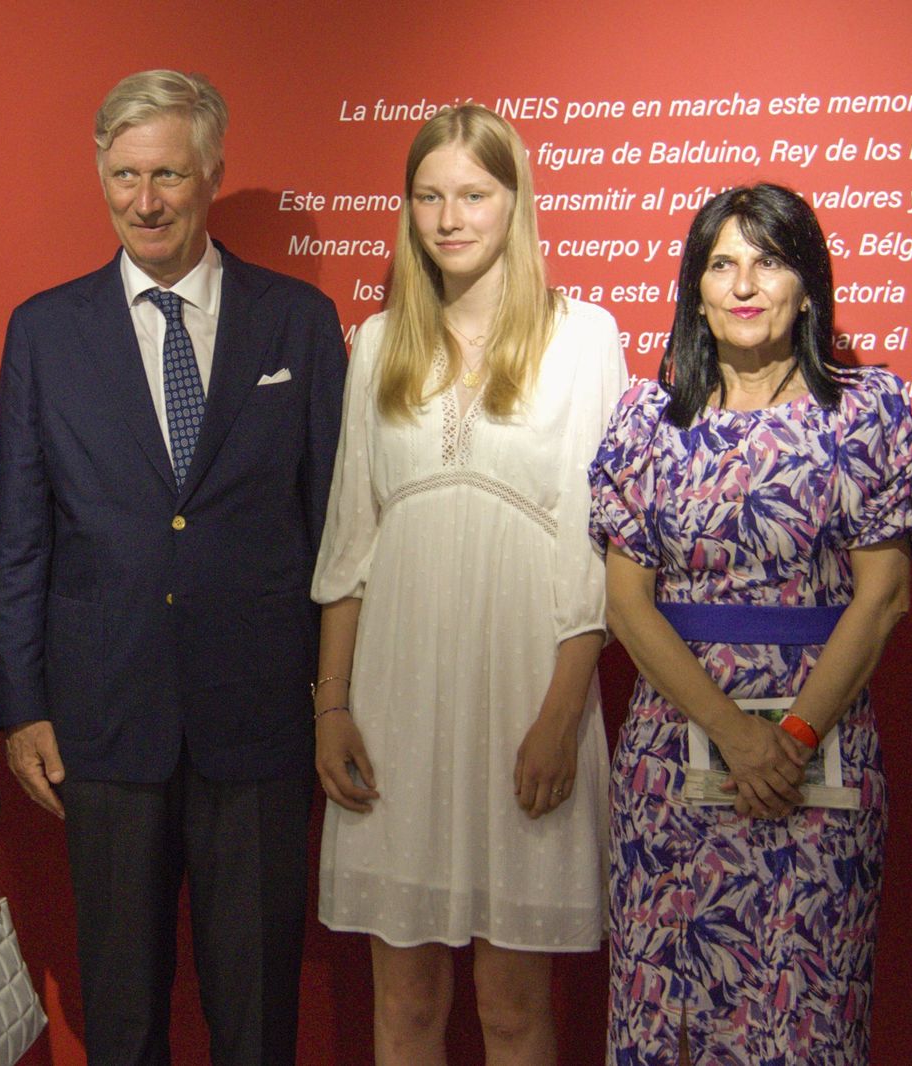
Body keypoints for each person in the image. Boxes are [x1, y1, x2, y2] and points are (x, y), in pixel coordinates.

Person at [0, 69, 348, 1065]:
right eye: (124, 175)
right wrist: (22, 707)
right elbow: (19, 535)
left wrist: (332, 698)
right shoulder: (44, 331)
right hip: (103, 721)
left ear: (210, 173)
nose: (144, 201)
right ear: (99, 174)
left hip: (261, 719)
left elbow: (331, 531)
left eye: (168, 176)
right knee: (120, 1010)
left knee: (256, 1010)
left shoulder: (297, 324)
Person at [310, 104, 626, 1064]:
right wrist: (332, 707)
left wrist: (562, 715)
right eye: (429, 196)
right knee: (402, 1004)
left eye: (474, 195)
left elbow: (594, 549)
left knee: (513, 1005)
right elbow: (348, 544)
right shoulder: (374, 345)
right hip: (398, 701)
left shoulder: (584, 339)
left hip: (524, 694)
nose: (450, 218)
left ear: (513, 201)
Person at [590, 183, 912, 1064]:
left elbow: (883, 595)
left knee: (806, 1021)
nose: (745, 284)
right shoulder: (645, 423)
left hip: (821, 769)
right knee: (668, 1019)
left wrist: (794, 736)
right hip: (672, 773)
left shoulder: (867, 415)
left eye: (769, 261)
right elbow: (627, 604)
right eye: (722, 264)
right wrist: (734, 735)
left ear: (806, 285)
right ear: (696, 291)